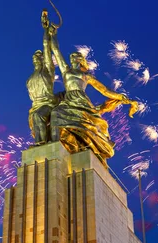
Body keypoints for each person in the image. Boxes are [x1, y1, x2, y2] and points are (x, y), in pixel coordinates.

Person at [48, 25, 138, 165]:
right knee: (55, 114)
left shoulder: (86, 76)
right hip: (69, 99)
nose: (72, 59)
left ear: (80, 61)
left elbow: (104, 90)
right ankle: (54, 147)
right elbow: (56, 51)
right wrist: (52, 35)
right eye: (71, 57)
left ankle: (91, 147)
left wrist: (120, 97)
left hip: (82, 102)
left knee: (87, 126)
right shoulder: (66, 71)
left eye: (75, 57)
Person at [26, 11, 59, 145]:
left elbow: (46, 47)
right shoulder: (29, 79)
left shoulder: (47, 71)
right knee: (36, 115)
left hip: (48, 105)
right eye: (35, 56)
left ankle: (41, 144)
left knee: (38, 115)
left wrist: (45, 29)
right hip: (35, 107)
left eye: (39, 56)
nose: (37, 57)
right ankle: (40, 144)